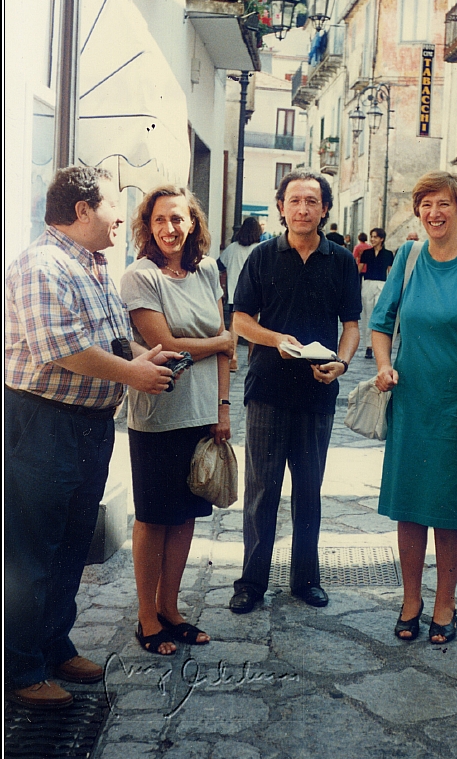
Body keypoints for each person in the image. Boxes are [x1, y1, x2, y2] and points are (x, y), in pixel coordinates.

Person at [6, 166, 178, 707]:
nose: (122, 216)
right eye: (113, 204)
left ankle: (54, 646)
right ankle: (21, 668)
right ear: (82, 210)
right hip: (42, 424)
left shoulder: (95, 263)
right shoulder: (42, 265)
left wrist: (140, 356)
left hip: (86, 426)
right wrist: (134, 375)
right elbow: (60, 349)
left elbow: (105, 337)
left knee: (71, 542)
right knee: (32, 547)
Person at [372, 173, 457, 643]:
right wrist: (385, 364)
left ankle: (445, 603)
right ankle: (411, 599)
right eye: (425, 203)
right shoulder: (408, 258)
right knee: (409, 506)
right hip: (412, 401)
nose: (433, 213)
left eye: (443, 204)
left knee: (450, 508)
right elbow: (380, 320)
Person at [229, 170, 361, 613]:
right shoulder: (263, 257)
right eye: (294, 201)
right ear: (281, 207)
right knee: (262, 490)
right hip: (267, 389)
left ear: (325, 208)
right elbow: (240, 321)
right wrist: (275, 339)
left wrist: (341, 364)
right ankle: (251, 582)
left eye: (311, 201)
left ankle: (306, 579)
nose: (302, 208)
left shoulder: (341, 260)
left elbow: (352, 327)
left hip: (318, 391)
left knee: (309, 489)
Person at [120, 186, 234, 654]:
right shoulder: (139, 277)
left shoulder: (208, 270)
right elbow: (166, 345)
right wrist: (220, 341)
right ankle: (147, 617)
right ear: (148, 226)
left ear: (193, 224)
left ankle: (171, 607)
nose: (170, 228)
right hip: (158, 413)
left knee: (186, 515)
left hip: (202, 411)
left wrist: (223, 406)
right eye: (160, 220)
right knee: (153, 517)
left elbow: (225, 348)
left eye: (179, 219)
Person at [219, 216, 262, 372]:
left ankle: (233, 357)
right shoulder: (260, 248)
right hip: (255, 293)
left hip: (234, 292)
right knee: (254, 326)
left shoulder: (232, 248)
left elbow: (219, 265)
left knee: (234, 326)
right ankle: (252, 358)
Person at [360, 228, 394, 359]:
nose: (372, 239)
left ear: (382, 239)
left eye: (375, 237)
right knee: (368, 314)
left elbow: (390, 272)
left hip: (382, 284)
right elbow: (359, 269)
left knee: (379, 314)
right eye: (371, 237)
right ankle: (368, 346)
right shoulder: (366, 253)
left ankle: (379, 345)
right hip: (368, 283)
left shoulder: (388, 254)